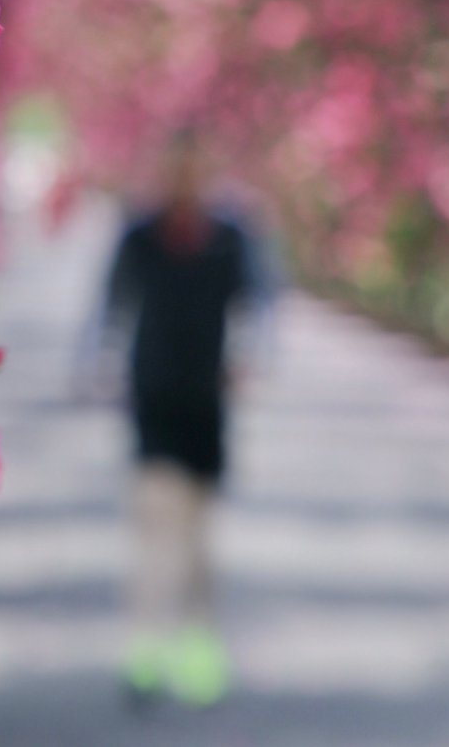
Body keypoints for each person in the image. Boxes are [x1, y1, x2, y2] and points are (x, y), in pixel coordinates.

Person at [91, 131, 267, 708]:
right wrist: (100, 363)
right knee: (155, 530)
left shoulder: (231, 237)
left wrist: (249, 359)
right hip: (155, 399)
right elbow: (110, 306)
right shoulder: (141, 236)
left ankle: (197, 650)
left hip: (205, 405)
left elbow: (258, 306)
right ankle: (144, 651)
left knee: (199, 540)